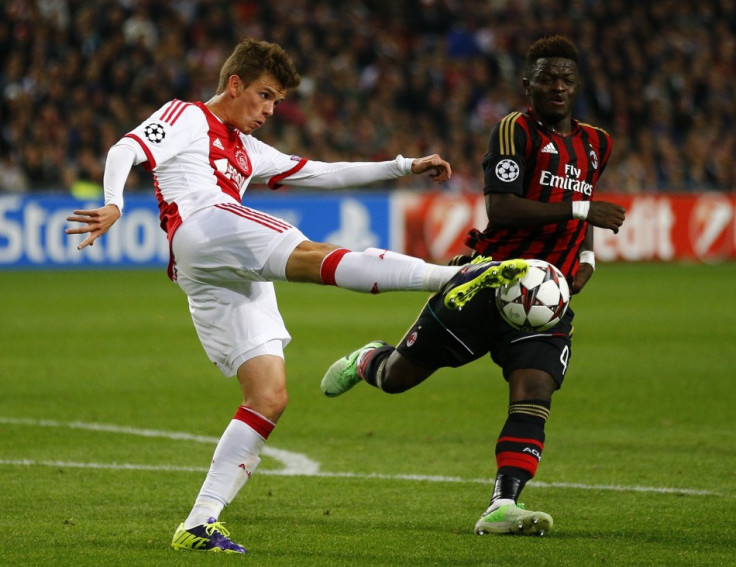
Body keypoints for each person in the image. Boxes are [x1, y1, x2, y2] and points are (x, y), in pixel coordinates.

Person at [64, 38, 529, 554]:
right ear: (234, 84)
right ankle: (450, 278)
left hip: (211, 271)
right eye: (263, 96)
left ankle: (199, 523)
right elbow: (125, 148)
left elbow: (325, 172)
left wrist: (403, 166)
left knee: (268, 396)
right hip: (202, 223)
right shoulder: (189, 116)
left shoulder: (249, 150)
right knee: (313, 256)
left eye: (276, 103)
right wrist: (114, 204)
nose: (268, 110)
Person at [320, 35, 626, 536]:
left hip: (546, 299)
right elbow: (501, 207)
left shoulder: (597, 142)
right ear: (527, 84)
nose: (558, 87)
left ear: (578, 85)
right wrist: (580, 209)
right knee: (400, 377)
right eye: (547, 78)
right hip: (486, 281)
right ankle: (370, 359)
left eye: (567, 79)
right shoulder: (513, 131)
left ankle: (502, 505)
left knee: (534, 393)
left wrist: (586, 254)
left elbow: (584, 199)